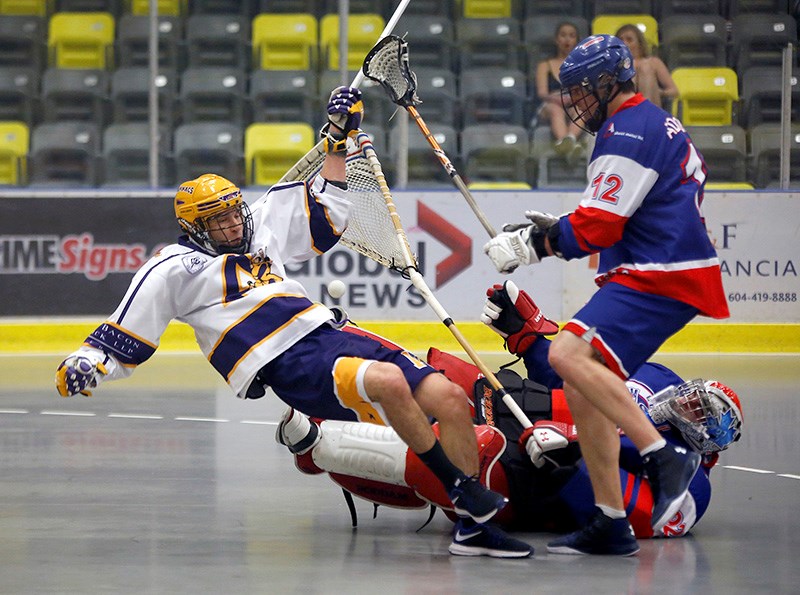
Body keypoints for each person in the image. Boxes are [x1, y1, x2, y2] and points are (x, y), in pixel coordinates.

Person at [54, 86, 529, 558]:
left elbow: (328, 210)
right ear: (195, 227)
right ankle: (461, 489)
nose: (233, 225)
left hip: (329, 332)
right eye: (218, 221)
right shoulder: (173, 268)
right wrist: (86, 363)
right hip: (287, 363)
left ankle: (472, 530)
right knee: (387, 382)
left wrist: (339, 139)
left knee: (449, 397)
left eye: (233, 213)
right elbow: (125, 330)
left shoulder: (258, 226)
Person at [482, 35, 730, 556]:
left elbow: (598, 226)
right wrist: (556, 229)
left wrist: (532, 245)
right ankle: (611, 522)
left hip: (660, 272)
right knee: (582, 384)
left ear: (608, 82)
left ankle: (662, 453)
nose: (574, 102)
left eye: (580, 90)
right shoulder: (645, 122)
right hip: (662, 268)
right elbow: (616, 215)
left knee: (566, 353)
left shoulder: (628, 130)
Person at [277, 282, 742, 547]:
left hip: (531, 481)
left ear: (706, 444)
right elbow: (575, 371)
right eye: (695, 397)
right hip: (519, 407)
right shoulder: (659, 376)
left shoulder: (690, 484)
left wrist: (569, 463)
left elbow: (637, 515)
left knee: (469, 457)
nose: (686, 404)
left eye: (699, 414)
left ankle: (317, 449)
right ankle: (331, 406)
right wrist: (527, 335)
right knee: (437, 384)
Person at [534, 21, 586, 163]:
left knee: (582, 109)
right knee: (556, 109)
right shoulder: (545, 65)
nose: (567, 39)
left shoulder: (583, 65)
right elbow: (542, 93)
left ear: (577, 40)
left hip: (574, 103)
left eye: (571, 36)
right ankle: (568, 143)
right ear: (557, 40)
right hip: (551, 104)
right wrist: (559, 99)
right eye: (563, 35)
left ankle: (569, 141)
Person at [614, 24, 678, 110]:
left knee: (646, 67)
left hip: (651, 106)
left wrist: (658, 92)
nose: (625, 43)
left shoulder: (654, 62)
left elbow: (673, 91)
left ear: (639, 44)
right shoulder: (614, 64)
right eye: (621, 40)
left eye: (629, 40)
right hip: (622, 107)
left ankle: (646, 116)